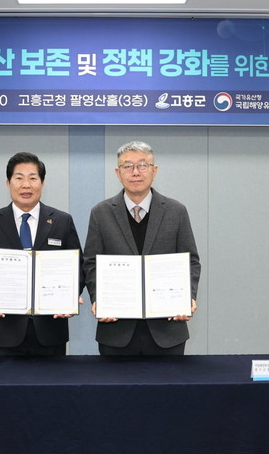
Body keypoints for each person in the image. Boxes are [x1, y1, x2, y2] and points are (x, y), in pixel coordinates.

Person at [83, 141, 201, 355]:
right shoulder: (101, 213)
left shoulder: (176, 211)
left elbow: (191, 261)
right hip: (116, 330)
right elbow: (91, 263)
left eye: (143, 165)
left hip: (167, 330)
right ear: (118, 173)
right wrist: (98, 298)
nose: (135, 172)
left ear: (154, 171)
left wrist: (187, 297)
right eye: (128, 166)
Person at [0, 152, 83, 356]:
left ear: (42, 183)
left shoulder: (62, 221)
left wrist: (71, 297)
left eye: (33, 178)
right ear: (8, 183)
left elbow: (79, 267)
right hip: (6, 329)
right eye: (19, 178)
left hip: (51, 330)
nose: (26, 185)